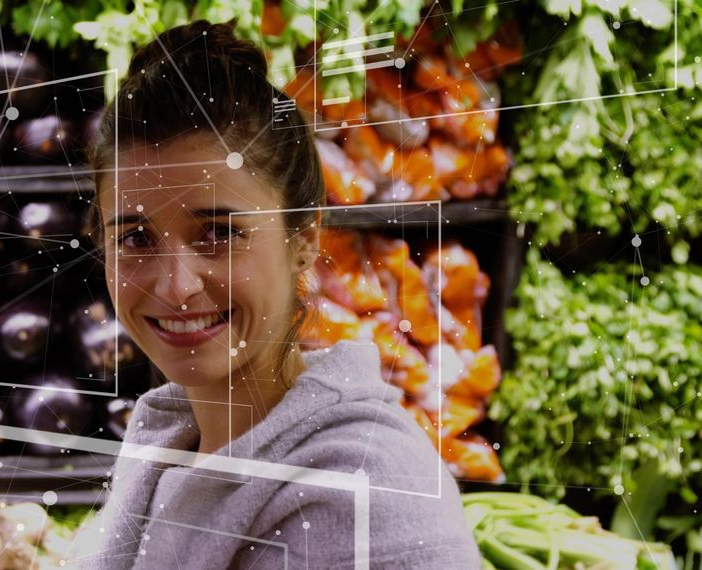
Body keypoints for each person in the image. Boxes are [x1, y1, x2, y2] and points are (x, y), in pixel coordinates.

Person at [70, 20, 481, 569]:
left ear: (304, 240)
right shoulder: (167, 439)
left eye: (219, 233)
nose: (176, 285)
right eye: (134, 238)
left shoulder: (368, 494)